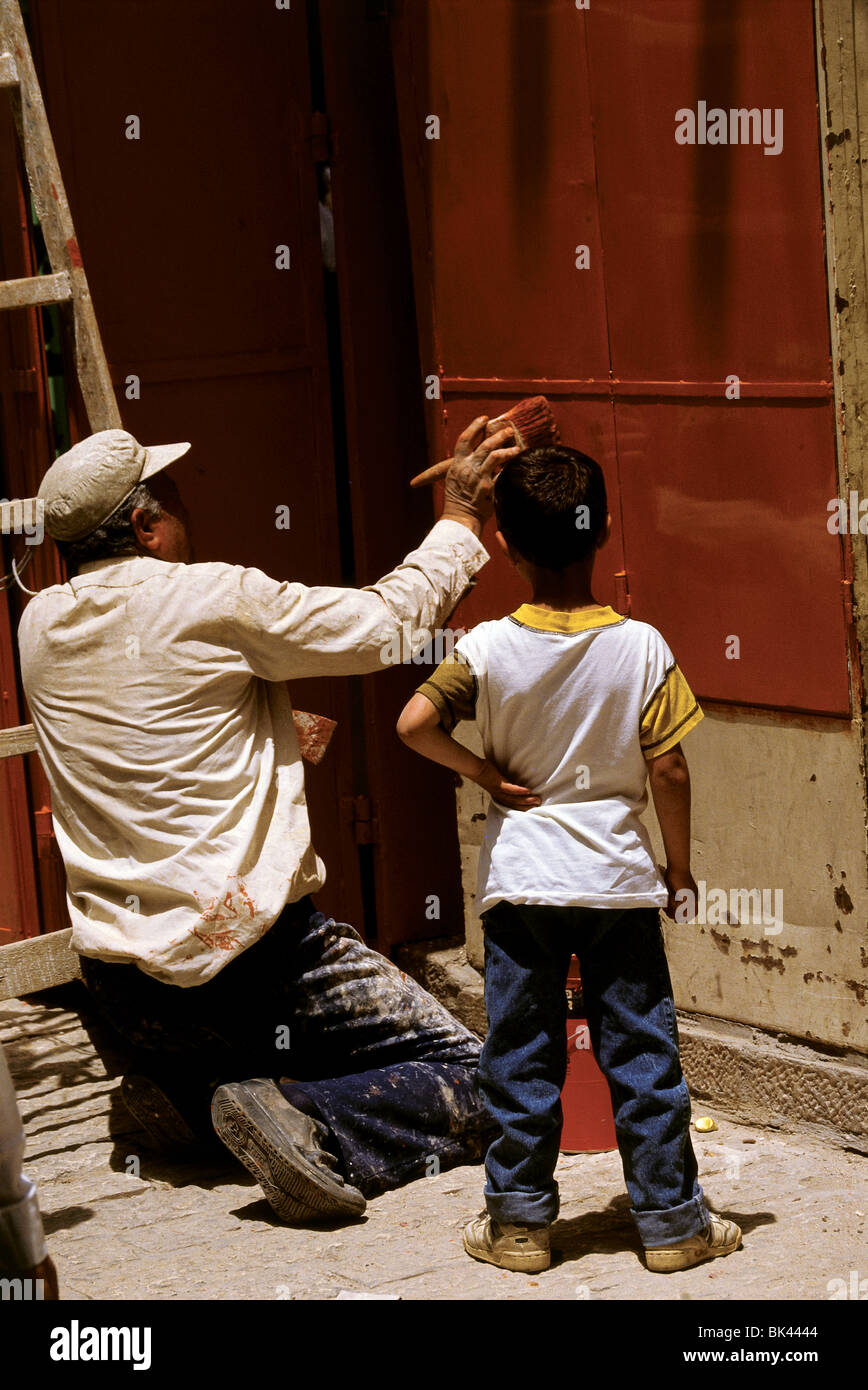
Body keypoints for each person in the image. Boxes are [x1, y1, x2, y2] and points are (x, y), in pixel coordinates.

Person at [17, 420, 519, 1223]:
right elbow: (384, 626)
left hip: (123, 989)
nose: (188, 510)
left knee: (245, 1054)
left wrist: (276, 730)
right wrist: (461, 518)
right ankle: (310, 1120)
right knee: (491, 1084)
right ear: (148, 528)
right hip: (250, 965)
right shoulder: (210, 596)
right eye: (172, 499)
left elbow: (158, 724)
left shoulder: (36, 626)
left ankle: (185, 1107)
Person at [397, 444, 743, 1274]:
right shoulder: (643, 647)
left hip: (521, 889)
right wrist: (680, 870)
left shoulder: (484, 647)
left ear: (506, 547)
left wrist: (487, 773)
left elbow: (413, 724)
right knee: (642, 1053)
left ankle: (518, 1228)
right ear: (606, 536)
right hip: (617, 887)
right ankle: (671, 1224)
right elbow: (669, 766)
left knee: (520, 1055)